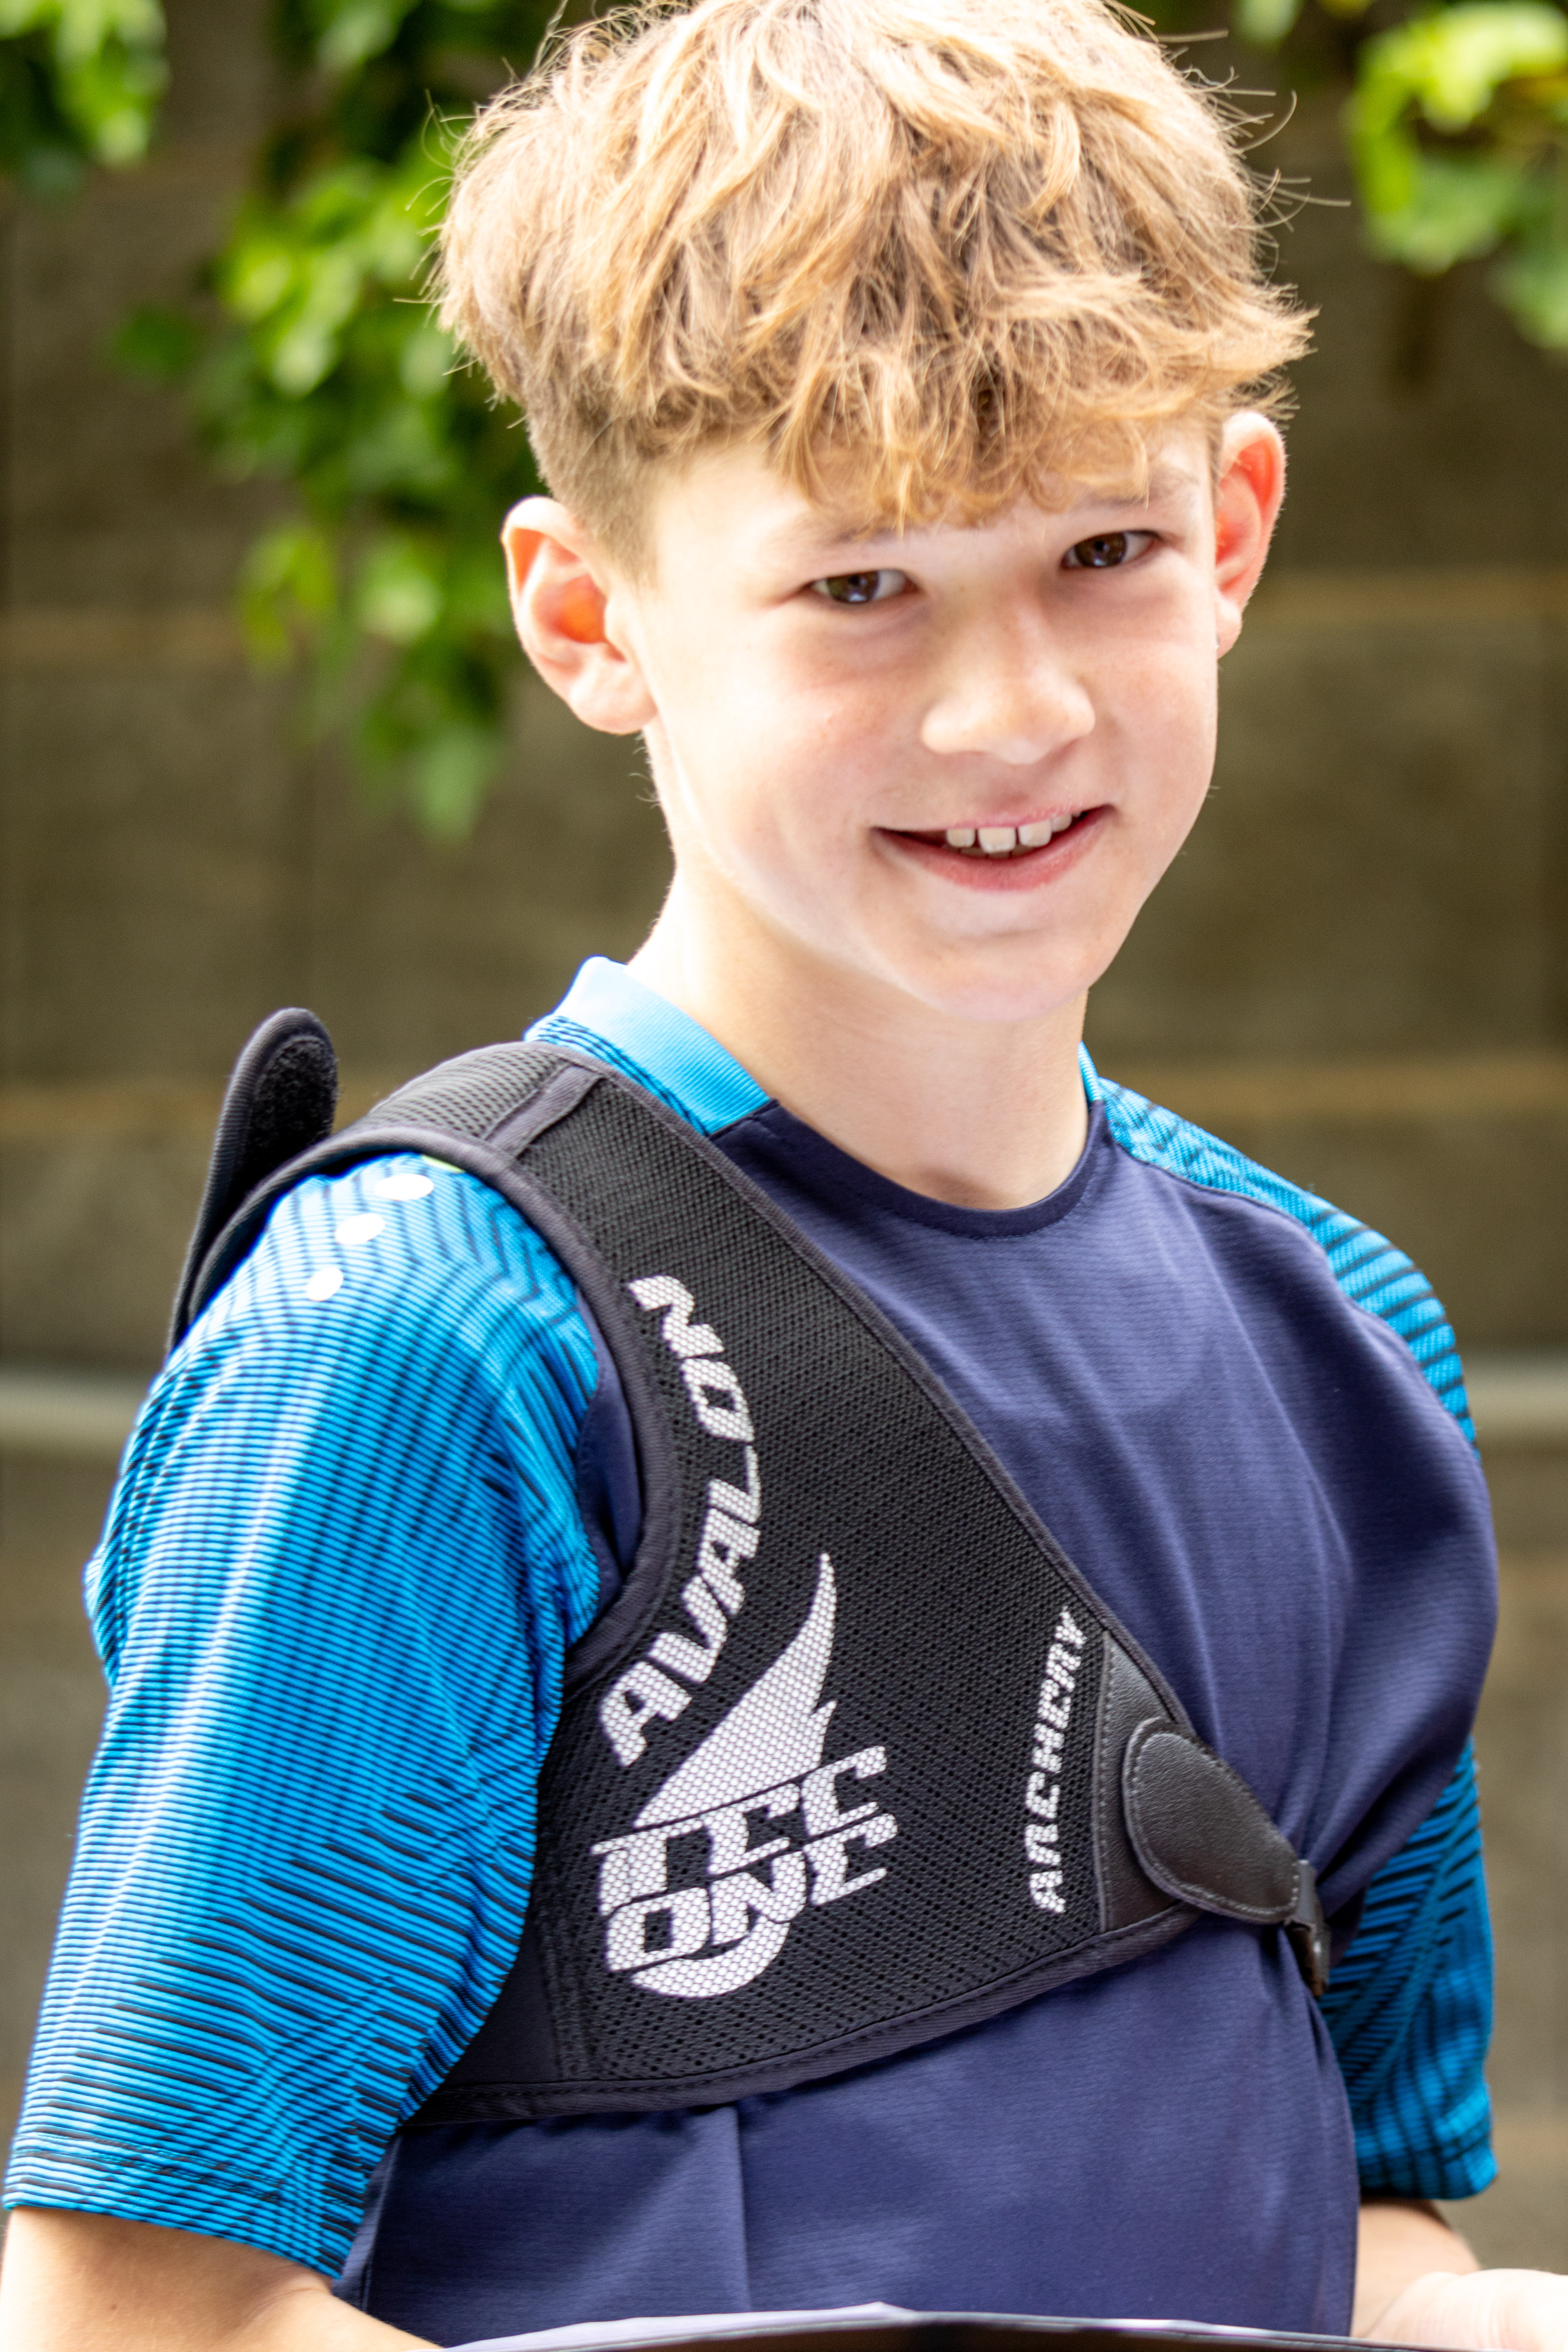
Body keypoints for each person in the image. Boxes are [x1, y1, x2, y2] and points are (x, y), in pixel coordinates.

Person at [3, 1, 1563, 2346]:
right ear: (588, 614)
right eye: (862, 586)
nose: (1012, 708)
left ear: (1235, 526)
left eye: (1103, 548)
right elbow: (143, 2307)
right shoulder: (435, 1336)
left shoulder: (1349, 1340)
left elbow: (1363, 2233)